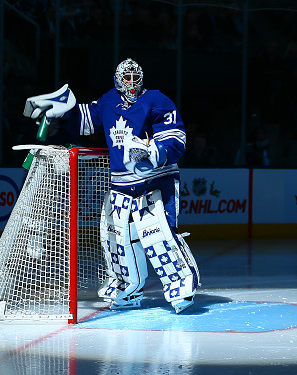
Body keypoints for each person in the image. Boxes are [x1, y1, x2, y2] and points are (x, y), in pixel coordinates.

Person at [22, 58, 200, 314]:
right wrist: (62, 114)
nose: (130, 83)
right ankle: (128, 288)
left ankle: (181, 287)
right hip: (120, 184)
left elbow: (176, 137)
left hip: (154, 181)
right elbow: (86, 120)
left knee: (158, 235)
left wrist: (153, 152)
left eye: (134, 77)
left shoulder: (157, 100)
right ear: (117, 80)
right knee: (116, 239)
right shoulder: (107, 101)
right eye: (125, 78)